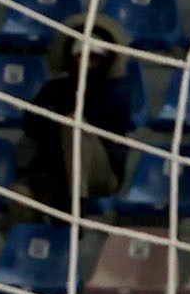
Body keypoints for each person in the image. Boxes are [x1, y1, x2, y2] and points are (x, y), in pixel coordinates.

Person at [15, 28, 134, 217]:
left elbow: (106, 125)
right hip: (53, 170)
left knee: (74, 126)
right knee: (19, 197)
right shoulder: (54, 88)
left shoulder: (115, 91)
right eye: (82, 56)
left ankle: (74, 205)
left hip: (100, 174)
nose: (87, 62)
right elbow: (32, 124)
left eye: (94, 57)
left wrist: (63, 117)